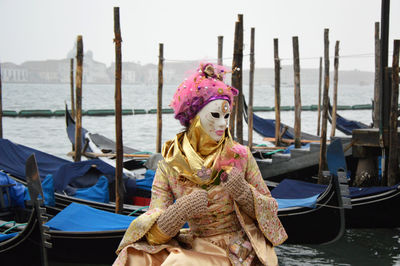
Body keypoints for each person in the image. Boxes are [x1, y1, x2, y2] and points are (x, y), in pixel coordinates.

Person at [113, 63, 287, 266]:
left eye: (227, 115)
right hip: (197, 245)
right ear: (193, 118)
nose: (223, 124)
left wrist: (244, 193)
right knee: (133, 256)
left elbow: (271, 212)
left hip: (238, 249)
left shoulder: (240, 156)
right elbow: (152, 236)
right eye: (215, 115)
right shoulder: (170, 164)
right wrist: (179, 212)